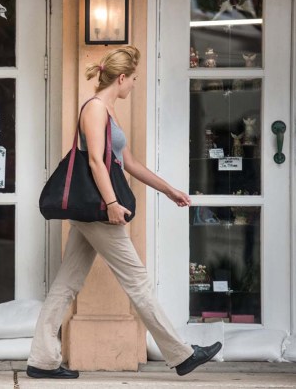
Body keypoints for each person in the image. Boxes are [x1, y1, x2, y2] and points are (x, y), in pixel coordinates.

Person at [26, 46, 222, 379]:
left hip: (93, 213)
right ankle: (182, 354)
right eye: (133, 79)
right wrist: (113, 204)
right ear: (120, 77)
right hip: (100, 212)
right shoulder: (95, 110)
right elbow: (94, 161)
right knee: (138, 283)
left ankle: (41, 361)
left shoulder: (109, 111)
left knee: (66, 284)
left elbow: (128, 163)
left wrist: (169, 189)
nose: (133, 85)